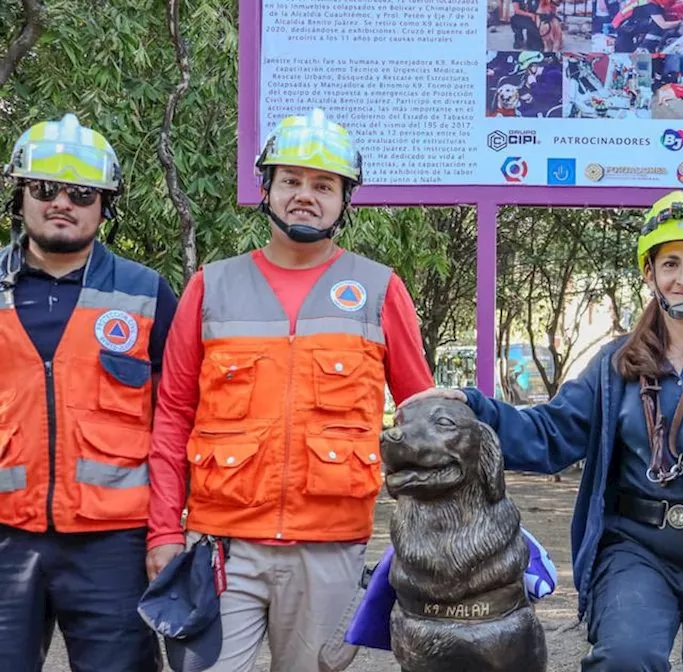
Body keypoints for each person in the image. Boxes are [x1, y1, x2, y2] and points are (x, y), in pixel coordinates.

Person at [414, 190, 683, 671]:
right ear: (650, 273)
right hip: (637, 544)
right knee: (625, 656)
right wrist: (476, 411)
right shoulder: (615, 364)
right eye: (671, 264)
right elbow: (553, 431)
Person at [145, 108, 436, 671]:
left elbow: (421, 422)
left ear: (345, 199)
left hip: (330, 548)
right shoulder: (211, 287)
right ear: (268, 189)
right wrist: (163, 531)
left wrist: (428, 536)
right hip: (222, 547)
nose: (306, 195)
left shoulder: (380, 289)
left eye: (323, 184)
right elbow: (173, 416)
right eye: (292, 181)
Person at [0, 113, 179, 670]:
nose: (62, 203)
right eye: (45, 188)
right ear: (20, 196)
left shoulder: (147, 294)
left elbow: (175, 419)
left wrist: (168, 532)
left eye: (82, 193)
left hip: (114, 547)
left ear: (105, 205)